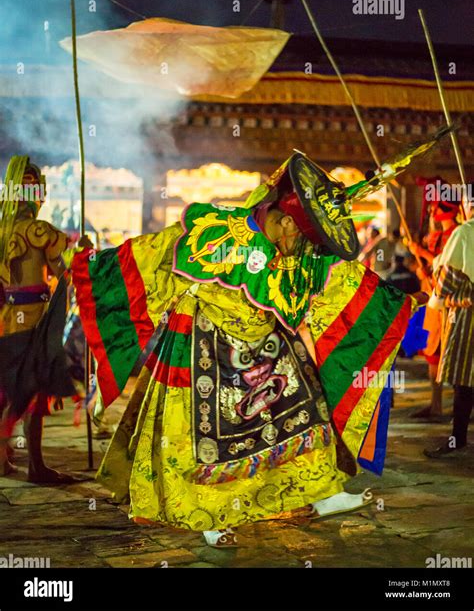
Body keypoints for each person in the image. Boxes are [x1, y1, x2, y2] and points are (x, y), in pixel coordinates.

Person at [71, 156, 418, 547]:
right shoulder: (217, 231)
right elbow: (149, 257)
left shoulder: (296, 252)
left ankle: (322, 492)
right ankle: (209, 515)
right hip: (206, 350)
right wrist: (90, 263)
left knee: (308, 417)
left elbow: (340, 278)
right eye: (302, 236)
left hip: (270, 350)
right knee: (200, 444)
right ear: (286, 221)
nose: (304, 248)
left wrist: (398, 302)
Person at [0, 156, 77, 482]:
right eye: (29, 187)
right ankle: (36, 467)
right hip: (31, 320)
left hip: (7, 320)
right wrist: (81, 255)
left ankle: (4, 462)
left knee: (9, 390)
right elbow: (63, 270)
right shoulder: (38, 231)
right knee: (30, 394)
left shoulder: (4, 231)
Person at [409, 178, 461, 421]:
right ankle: (436, 404)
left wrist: (421, 254)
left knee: (453, 356)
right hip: (434, 302)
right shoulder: (440, 235)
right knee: (433, 354)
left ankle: (455, 408)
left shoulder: (456, 236)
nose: (430, 211)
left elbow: (447, 266)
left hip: (451, 303)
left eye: (434, 206)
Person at [424, 201, 473, 457]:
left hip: (468, 316)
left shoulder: (465, 232)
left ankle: (458, 439)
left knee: (464, 380)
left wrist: (438, 294)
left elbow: (447, 279)